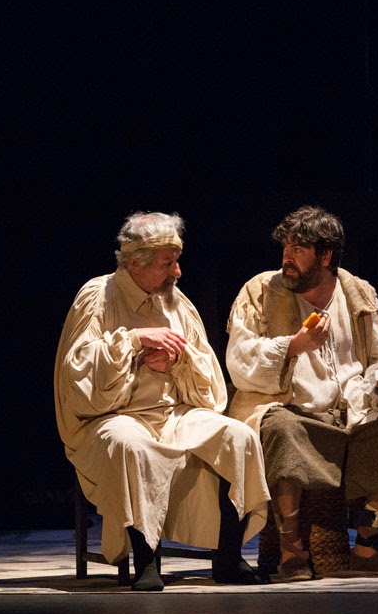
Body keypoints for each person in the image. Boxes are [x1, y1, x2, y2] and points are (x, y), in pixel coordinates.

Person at [54, 211, 270, 591]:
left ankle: (228, 557)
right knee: (133, 445)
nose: (178, 272)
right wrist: (135, 340)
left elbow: (208, 377)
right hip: (111, 416)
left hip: (173, 414)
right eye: (168, 263)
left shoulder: (177, 303)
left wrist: (178, 361)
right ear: (136, 262)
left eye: (177, 261)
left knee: (239, 437)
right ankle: (146, 561)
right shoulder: (98, 295)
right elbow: (78, 372)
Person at [225, 205, 378, 580]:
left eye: (298, 249)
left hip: (352, 413)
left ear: (325, 256)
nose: (287, 258)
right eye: (285, 248)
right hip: (292, 410)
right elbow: (239, 360)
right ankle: (291, 551)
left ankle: (367, 544)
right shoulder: (261, 291)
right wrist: (292, 346)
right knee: (282, 432)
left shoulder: (358, 294)